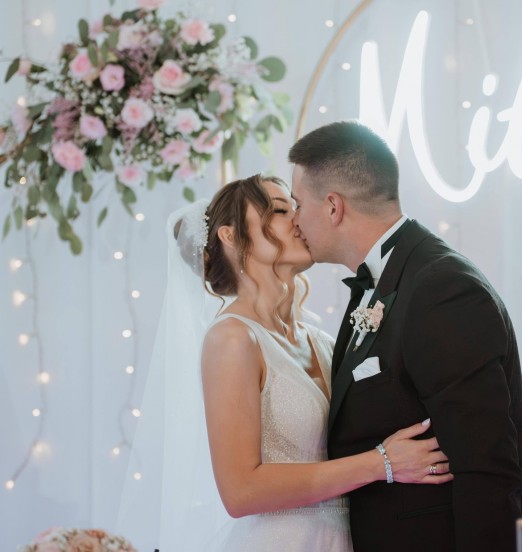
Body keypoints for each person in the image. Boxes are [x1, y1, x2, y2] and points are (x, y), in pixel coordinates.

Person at [117, 174, 451, 552]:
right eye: (279, 209)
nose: (297, 218)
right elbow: (240, 492)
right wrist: (380, 464)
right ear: (230, 236)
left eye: (295, 207)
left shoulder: (322, 341)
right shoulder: (232, 340)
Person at [289, 121, 522, 551]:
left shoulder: (442, 289)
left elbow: (487, 468)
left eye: (298, 204)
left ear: (333, 207)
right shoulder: (387, 280)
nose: (295, 220)